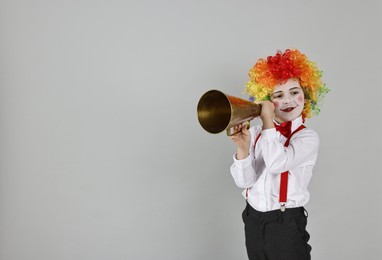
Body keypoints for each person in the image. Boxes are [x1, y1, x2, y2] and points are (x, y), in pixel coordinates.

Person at [229, 49, 329, 260]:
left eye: (294, 92)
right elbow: (243, 181)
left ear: (307, 93)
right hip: (253, 219)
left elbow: (277, 163)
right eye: (278, 95)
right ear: (266, 100)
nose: (288, 100)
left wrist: (266, 121)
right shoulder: (256, 134)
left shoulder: (307, 138)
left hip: (285, 224)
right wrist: (243, 148)